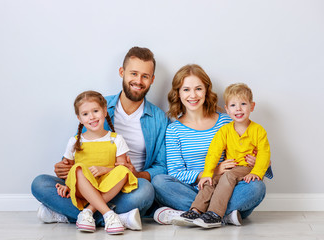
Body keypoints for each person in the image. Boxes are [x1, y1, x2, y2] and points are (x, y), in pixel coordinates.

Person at [31, 47, 169, 230]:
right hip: (88, 182)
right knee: (39, 183)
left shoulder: (159, 119)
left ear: (152, 80)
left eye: (145, 76)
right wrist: (66, 169)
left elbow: (162, 166)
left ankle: (74, 215)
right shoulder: (96, 106)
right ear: (122, 72)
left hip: (124, 187)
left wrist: (136, 174)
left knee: (146, 192)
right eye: (133, 73)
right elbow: (81, 148)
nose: (138, 81)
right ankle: (118, 217)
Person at [152, 64, 273, 226]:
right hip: (193, 190)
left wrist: (256, 162)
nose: (193, 95)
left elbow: (254, 150)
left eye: (198, 89)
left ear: (206, 91)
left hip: (228, 186)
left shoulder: (225, 120)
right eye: (186, 89)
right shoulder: (174, 129)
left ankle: (195, 213)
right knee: (159, 182)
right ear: (178, 93)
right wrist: (211, 172)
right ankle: (221, 214)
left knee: (256, 188)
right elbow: (175, 173)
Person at [55, 90, 138, 234]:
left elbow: (122, 168)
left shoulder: (116, 139)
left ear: (105, 111)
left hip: (108, 188)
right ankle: (109, 214)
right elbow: (68, 170)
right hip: (83, 190)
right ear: (79, 118)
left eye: (95, 111)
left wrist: (104, 170)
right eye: (85, 114)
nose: (91, 117)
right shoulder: (75, 141)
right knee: (77, 169)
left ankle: (87, 212)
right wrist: (67, 185)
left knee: (124, 171)